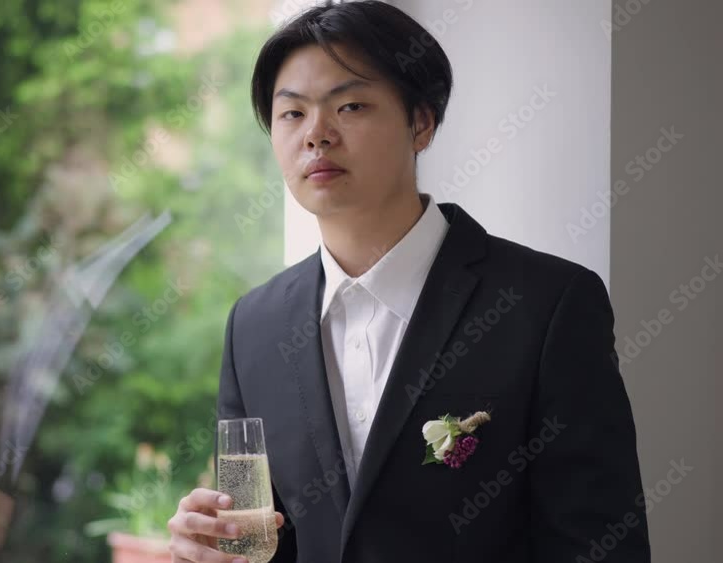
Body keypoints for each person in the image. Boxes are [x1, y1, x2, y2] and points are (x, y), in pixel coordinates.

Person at [167, 2, 651, 562]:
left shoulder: (547, 305)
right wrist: (210, 547)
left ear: (420, 122)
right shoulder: (253, 326)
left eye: (349, 106)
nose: (316, 135)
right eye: (292, 114)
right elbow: (269, 541)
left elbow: (601, 545)